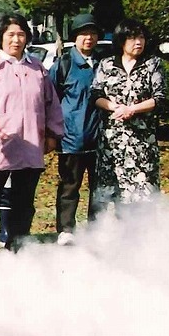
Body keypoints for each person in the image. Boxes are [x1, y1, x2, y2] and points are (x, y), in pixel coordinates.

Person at [0, 15, 62, 249]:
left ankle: (17, 247)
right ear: (1, 37)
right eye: (10, 34)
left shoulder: (37, 67)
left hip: (30, 142)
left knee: (24, 201)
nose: (16, 40)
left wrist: (52, 133)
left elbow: (51, 103)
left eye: (20, 34)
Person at [91, 19, 166, 208]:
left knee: (143, 191)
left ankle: (141, 233)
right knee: (111, 191)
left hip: (141, 141)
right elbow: (96, 95)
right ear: (121, 40)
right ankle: (111, 232)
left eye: (141, 37)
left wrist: (132, 109)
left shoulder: (152, 64)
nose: (138, 42)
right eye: (132, 38)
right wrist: (114, 107)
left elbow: (159, 98)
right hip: (112, 141)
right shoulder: (106, 64)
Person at [50, 14, 104, 245]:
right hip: (71, 137)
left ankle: (97, 228)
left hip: (100, 137)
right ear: (75, 38)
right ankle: (66, 228)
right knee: (70, 185)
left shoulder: (105, 63)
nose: (88, 38)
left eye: (92, 33)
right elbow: (50, 99)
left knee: (99, 188)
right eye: (83, 34)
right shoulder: (63, 64)